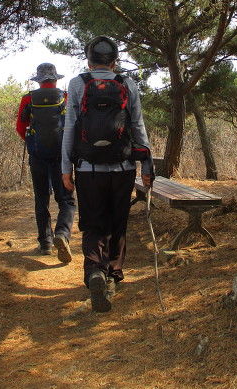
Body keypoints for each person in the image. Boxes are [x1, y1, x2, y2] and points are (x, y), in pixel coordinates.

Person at [61, 36, 152, 312]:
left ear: (89, 61)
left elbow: (70, 128)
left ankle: (94, 272)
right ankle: (112, 274)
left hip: (88, 169)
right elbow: (138, 127)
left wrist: (65, 168)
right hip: (123, 168)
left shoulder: (77, 84)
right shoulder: (127, 84)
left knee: (93, 223)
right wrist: (147, 167)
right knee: (117, 223)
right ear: (114, 61)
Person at [16, 63, 76, 262]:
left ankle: (45, 243)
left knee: (41, 199)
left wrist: (33, 143)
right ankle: (62, 234)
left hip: (37, 156)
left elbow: (20, 127)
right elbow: (73, 125)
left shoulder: (28, 99)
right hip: (61, 157)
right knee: (66, 200)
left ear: (39, 80)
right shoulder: (65, 97)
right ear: (55, 79)